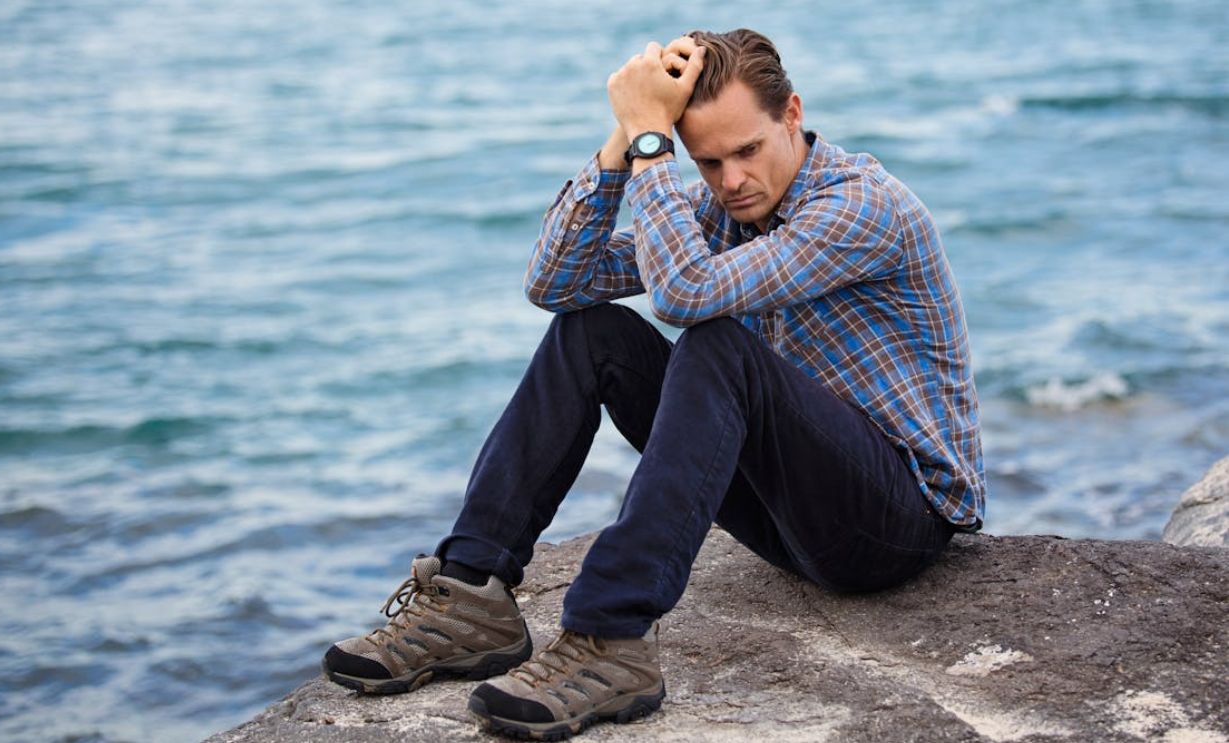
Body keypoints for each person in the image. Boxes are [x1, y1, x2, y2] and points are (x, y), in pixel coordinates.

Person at [321, 28, 985, 740]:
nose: (729, 179)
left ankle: (609, 635)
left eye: (747, 150)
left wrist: (651, 145)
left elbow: (684, 294)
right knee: (591, 331)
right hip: (786, 515)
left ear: (791, 114)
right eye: (705, 160)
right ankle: (471, 592)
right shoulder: (723, 204)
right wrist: (625, 135)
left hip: (892, 528)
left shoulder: (859, 207)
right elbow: (557, 283)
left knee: (717, 341)